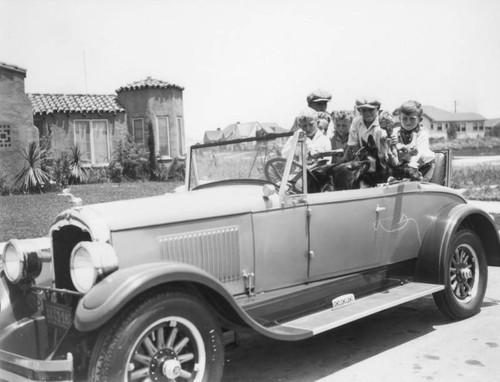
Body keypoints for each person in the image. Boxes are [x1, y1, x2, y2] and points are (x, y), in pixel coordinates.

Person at [393, 100, 436, 181]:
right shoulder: (395, 132)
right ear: (399, 119)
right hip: (402, 165)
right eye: (404, 119)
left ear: (420, 120)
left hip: (421, 167)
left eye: (412, 119)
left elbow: (417, 154)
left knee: (426, 156)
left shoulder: (422, 133)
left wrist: (410, 167)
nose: (408, 122)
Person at [345, 97, 389, 161]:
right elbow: (353, 144)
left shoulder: (383, 122)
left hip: (382, 161)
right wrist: (362, 157)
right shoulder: (356, 121)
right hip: (363, 159)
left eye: (371, 110)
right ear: (359, 110)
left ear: (378, 108)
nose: (367, 113)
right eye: (364, 110)